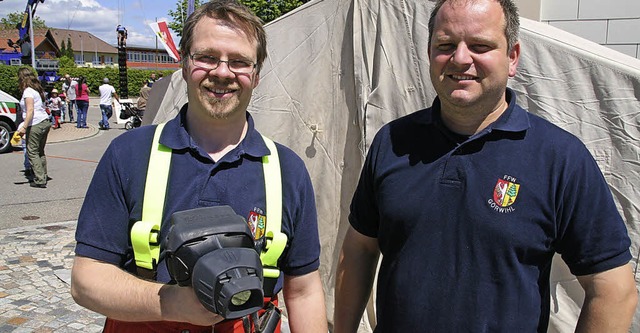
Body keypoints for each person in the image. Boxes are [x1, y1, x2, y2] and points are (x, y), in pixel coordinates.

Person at [334, 0, 637, 332]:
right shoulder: (392, 142)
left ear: (512, 57)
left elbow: (613, 289)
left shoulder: (559, 158)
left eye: (480, 46)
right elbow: (360, 247)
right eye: (446, 45)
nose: (461, 58)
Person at [70, 1, 328, 333]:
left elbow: (304, 291)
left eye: (239, 62)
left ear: (256, 74)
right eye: (207, 57)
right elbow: (86, 279)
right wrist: (171, 304)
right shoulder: (130, 154)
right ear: (184, 62)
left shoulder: (287, 171)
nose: (222, 72)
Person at [17, 67, 50, 188]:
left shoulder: (28, 92)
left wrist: (24, 127)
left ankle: (40, 179)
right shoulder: (37, 90)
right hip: (44, 121)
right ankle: (43, 174)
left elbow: (30, 110)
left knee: (32, 152)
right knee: (40, 151)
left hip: (35, 123)